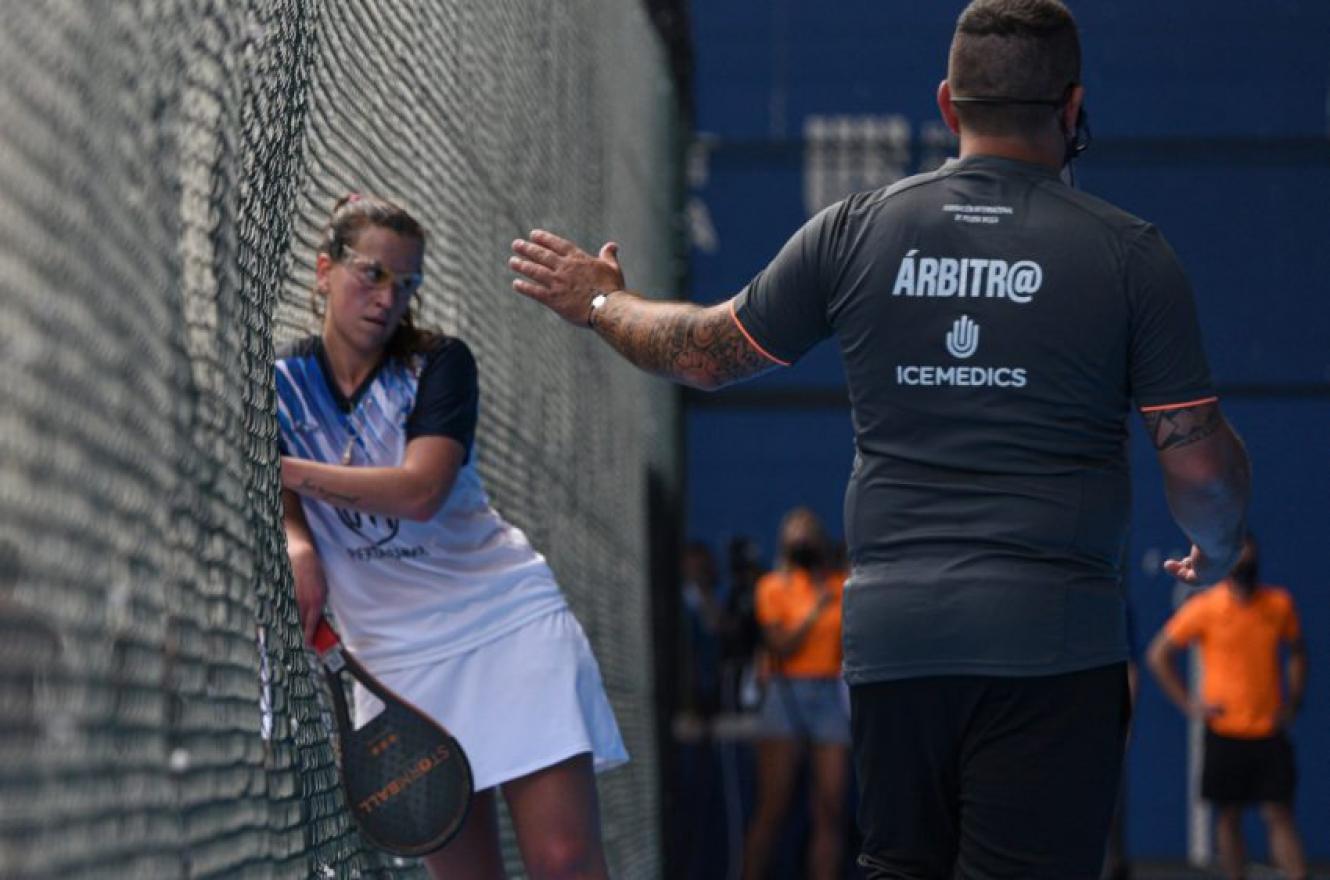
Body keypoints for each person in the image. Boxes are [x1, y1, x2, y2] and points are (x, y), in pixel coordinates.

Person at [507, 0, 1252, 873]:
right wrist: (1219, 541)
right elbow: (1197, 468)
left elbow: (702, 354)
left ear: (946, 105)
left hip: (897, 645)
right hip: (1050, 645)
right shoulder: (1132, 257)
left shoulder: (856, 231)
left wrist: (601, 302)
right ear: (1075, 108)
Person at [276, 194, 627, 880]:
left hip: (503, 626)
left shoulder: (440, 365)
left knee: (563, 862)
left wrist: (281, 468)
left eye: (407, 284)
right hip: (397, 666)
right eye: (371, 274)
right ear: (324, 270)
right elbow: (285, 497)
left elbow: (420, 491)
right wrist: (298, 542)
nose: (388, 298)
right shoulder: (282, 383)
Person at [1146, 536, 1308, 880]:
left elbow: (1297, 652)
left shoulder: (1278, 605)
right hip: (1224, 730)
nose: (1245, 566)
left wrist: (1293, 700)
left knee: (1278, 813)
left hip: (1268, 729)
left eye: (1250, 558)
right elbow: (1159, 654)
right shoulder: (1206, 608)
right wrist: (1190, 705)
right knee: (1228, 815)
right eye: (1239, 559)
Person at [744, 508, 849, 880]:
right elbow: (780, 644)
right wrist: (814, 611)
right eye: (795, 530)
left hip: (829, 694)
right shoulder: (772, 587)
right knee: (774, 805)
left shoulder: (841, 586)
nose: (802, 536)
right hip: (785, 694)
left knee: (830, 808)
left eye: (809, 529)